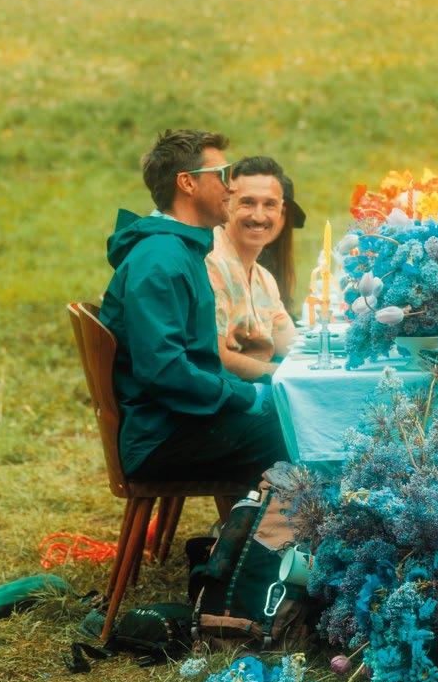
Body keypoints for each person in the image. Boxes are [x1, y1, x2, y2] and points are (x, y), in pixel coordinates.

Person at [99, 129, 287, 482]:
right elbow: (164, 370)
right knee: (295, 433)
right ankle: (262, 518)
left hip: (185, 420)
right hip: (161, 436)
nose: (231, 187)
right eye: (222, 175)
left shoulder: (181, 250)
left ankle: (258, 514)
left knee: (295, 418)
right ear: (187, 183)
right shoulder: (160, 260)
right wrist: (247, 396)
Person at [206, 157, 305, 382]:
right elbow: (217, 357)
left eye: (270, 204)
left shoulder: (264, 279)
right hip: (225, 395)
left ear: (281, 211)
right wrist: (282, 374)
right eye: (247, 203)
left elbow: (293, 347)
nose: (259, 216)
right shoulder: (212, 261)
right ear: (227, 204)